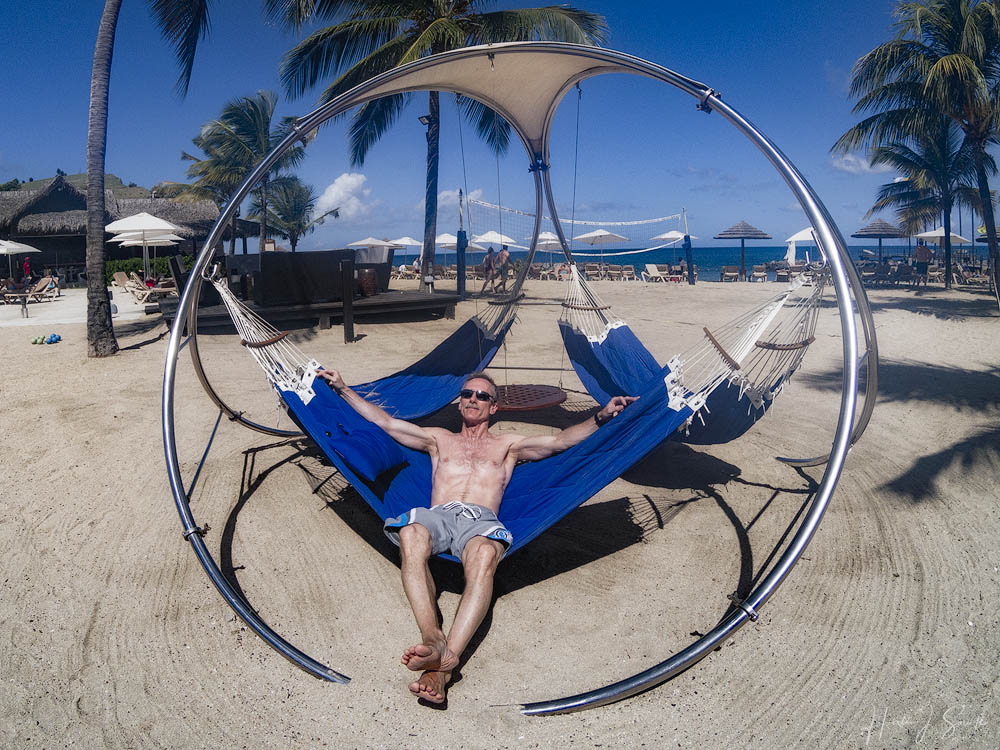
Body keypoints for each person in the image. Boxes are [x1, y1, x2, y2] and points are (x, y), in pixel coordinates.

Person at [316, 368, 635, 704]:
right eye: (467, 394)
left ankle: (442, 669)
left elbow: (560, 442)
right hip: (438, 516)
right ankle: (433, 638)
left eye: (482, 396)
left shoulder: (508, 445)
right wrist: (343, 389)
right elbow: (387, 424)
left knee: (484, 557)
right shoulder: (439, 439)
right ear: (459, 403)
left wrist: (601, 416)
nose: (473, 399)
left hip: (480, 522)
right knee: (410, 535)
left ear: (493, 408)